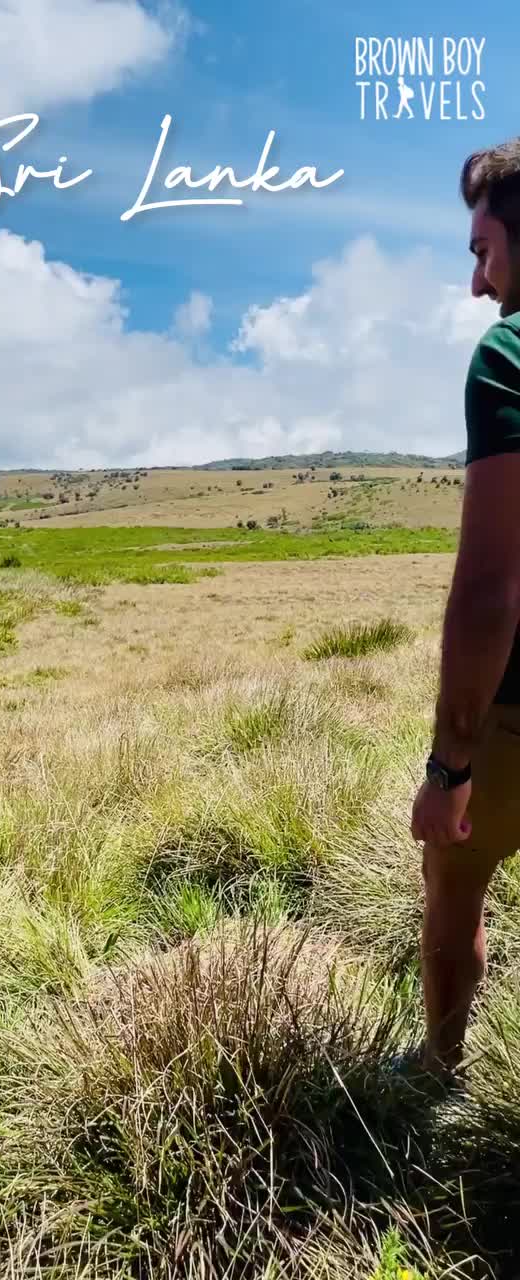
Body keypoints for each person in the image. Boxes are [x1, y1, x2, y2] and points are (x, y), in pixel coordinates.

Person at [411, 137, 520, 1078]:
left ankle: (440, 1072)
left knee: (452, 889)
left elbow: (492, 588)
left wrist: (450, 766)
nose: (479, 284)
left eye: (483, 251)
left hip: (515, 723)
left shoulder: (509, 357)